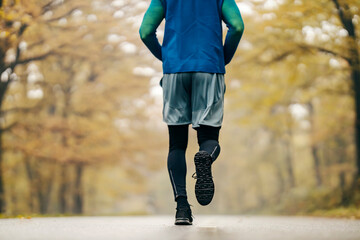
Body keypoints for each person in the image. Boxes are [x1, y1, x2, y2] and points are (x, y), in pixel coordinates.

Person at [139, 0, 244, 225]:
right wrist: (222, 58)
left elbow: (145, 31)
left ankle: (182, 209)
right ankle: (205, 156)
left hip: (174, 70)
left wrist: (165, 57)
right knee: (208, 139)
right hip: (209, 66)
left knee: (177, 144)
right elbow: (237, 26)